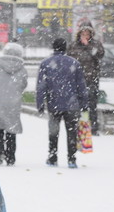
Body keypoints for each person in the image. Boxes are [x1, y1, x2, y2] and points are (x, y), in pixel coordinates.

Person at [38, 38, 88, 169]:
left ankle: (52, 156)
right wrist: (84, 103)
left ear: (53, 47)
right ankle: (72, 158)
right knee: (71, 132)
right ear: (65, 48)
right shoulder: (74, 63)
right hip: (72, 104)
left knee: (53, 131)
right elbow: (81, 85)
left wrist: (40, 103)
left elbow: (41, 86)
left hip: (54, 103)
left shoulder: (46, 64)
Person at [67, 22, 104, 134]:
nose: (85, 35)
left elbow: (100, 55)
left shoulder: (96, 44)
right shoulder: (73, 45)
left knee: (92, 104)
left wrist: (88, 47)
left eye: (87, 33)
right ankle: (77, 126)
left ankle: (93, 127)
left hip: (92, 79)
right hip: (77, 80)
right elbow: (69, 60)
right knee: (76, 104)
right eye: (83, 32)